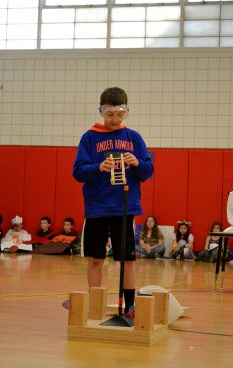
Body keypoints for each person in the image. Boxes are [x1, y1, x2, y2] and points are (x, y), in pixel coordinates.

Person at [73, 87, 153, 319]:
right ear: (101, 111)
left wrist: (137, 163)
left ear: (126, 111)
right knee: (96, 258)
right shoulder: (89, 137)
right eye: (110, 114)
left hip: (125, 208)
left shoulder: (134, 138)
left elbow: (148, 171)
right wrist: (98, 167)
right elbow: (78, 172)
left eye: (120, 113)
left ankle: (130, 305)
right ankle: (95, 304)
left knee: (127, 259)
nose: (115, 119)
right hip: (97, 208)